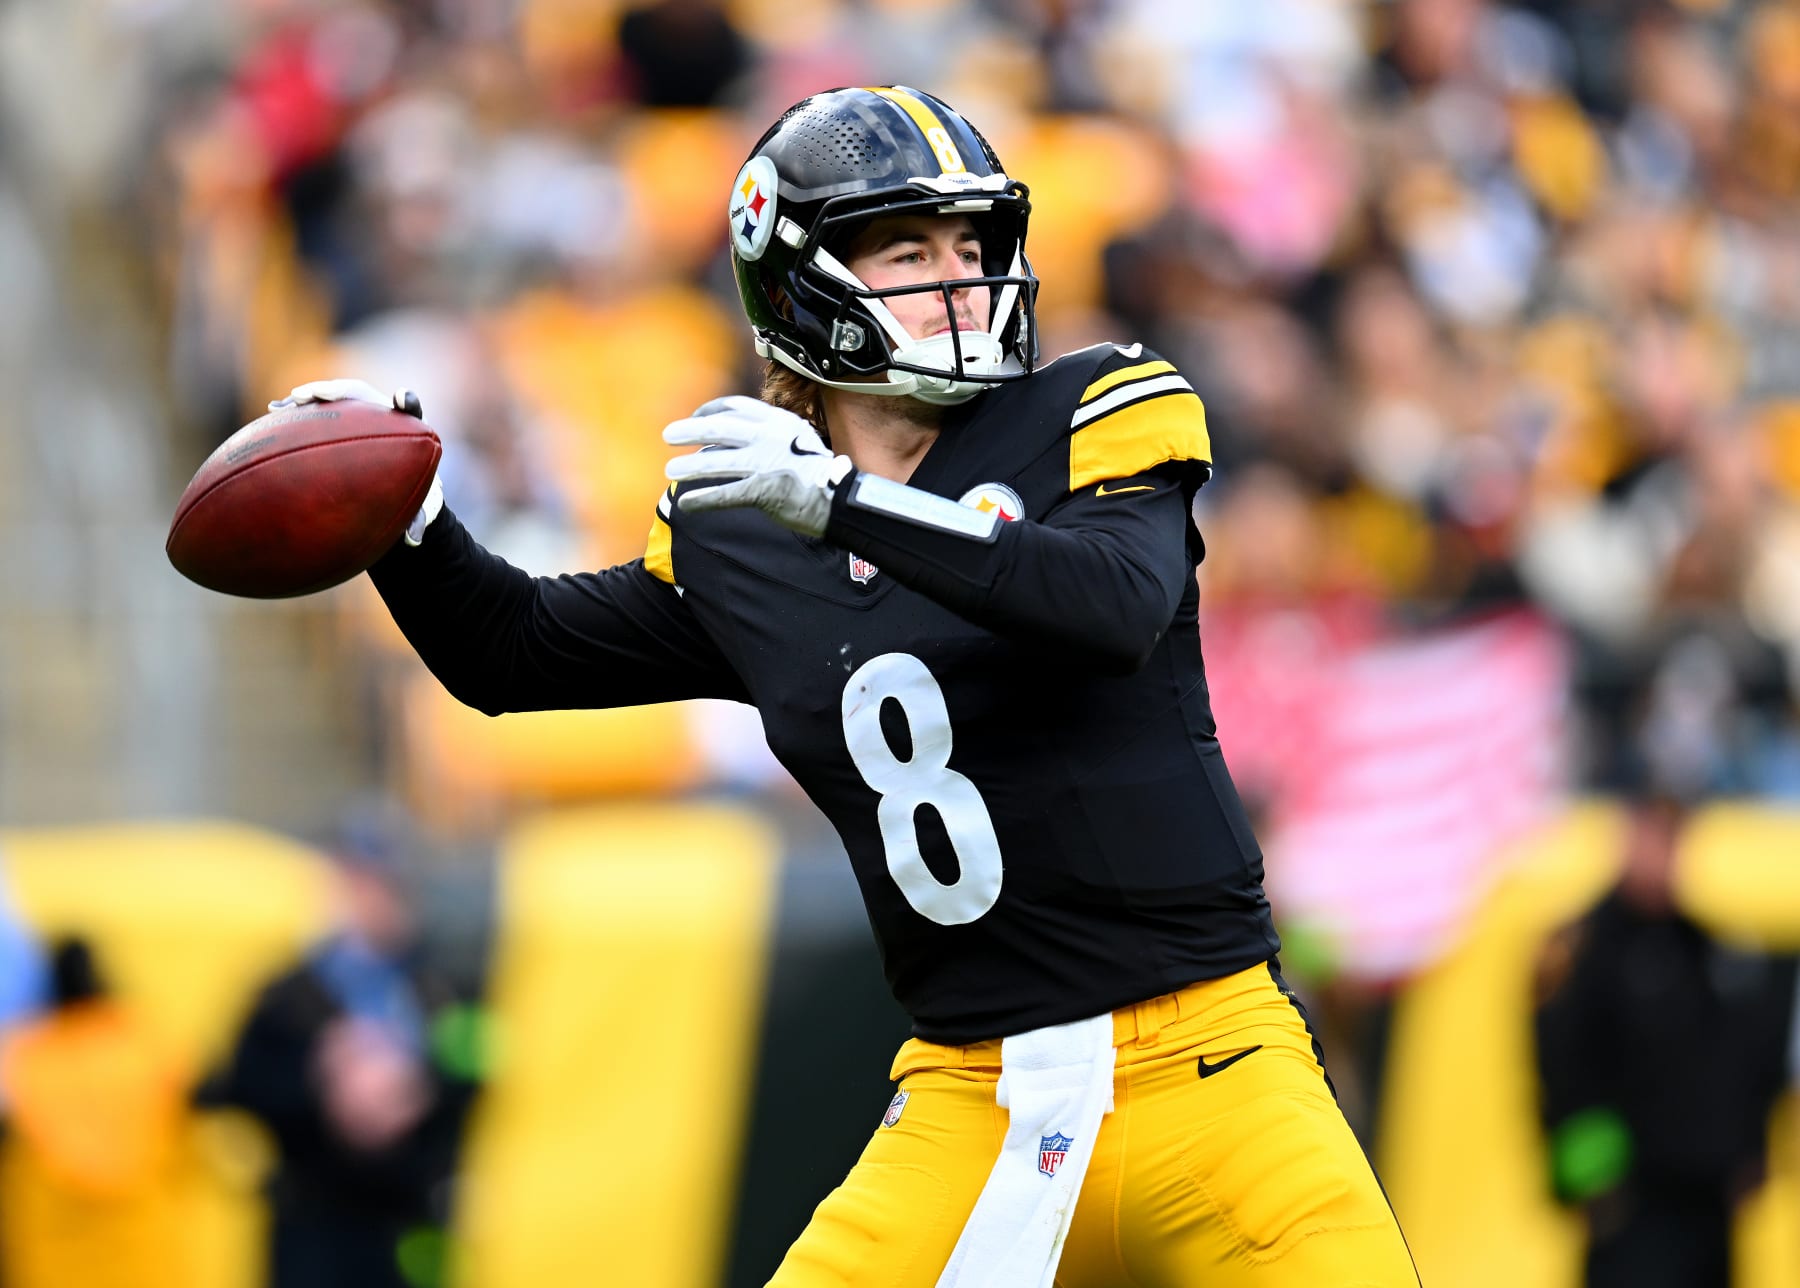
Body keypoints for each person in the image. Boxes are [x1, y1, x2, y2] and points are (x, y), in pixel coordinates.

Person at [278, 85, 1418, 1287]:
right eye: (911, 252)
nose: (962, 279)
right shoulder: (748, 534)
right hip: (970, 1092)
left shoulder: (1097, 404)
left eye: (972, 246)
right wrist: (403, 516)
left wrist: (845, 505)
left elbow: (1112, 606)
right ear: (801, 286)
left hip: (1214, 1062)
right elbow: (510, 653)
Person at [1535, 792, 1798, 1288]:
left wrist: (1747, 1148)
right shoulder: (1587, 946)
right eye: (1653, 839)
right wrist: (1593, 1183)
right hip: (1631, 1201)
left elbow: (1737, 1054)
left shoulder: (1703, 940)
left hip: (1705, 1196)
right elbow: (1562, 1068)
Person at [205, 821, 479, 1288]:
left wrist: (414, 1092)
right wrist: (325, 1082)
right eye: (363, 885)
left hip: (403, 1225)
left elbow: (477, 1076)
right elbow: (236, 1087)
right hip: (314, 1223)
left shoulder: (438, 989)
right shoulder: (290, 995)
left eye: (389, 887)